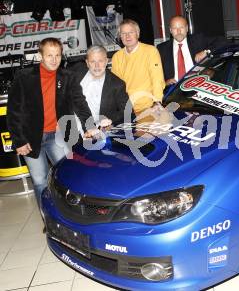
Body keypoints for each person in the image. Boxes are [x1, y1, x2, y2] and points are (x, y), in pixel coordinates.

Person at [6, 38, 94, 208]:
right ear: (40, 56)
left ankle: (71, 217)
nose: (54, 60)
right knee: (40, 182)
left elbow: (80, 103)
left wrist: (89, 126)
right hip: (31, 138)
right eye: (49, 55)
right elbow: (14, 112)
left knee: (69, 178)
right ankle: (49, 220)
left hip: (59, 135)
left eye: (58, 55)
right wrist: (19, 140)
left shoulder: (68, 77)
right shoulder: (24, 77)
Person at [111, 19, 165, 115]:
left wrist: (157, 102)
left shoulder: (151, 51)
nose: (127, 36)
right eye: (123, 33)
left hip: (149, 108)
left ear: (138, 34)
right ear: (120, 37)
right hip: (126, 110)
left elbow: (157, 79)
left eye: (131, 32)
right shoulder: (117, 57)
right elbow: (115, 87)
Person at [73, 45, 131, 131]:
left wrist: (110, 120)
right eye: (93, 61)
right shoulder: (76, 73)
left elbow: (127, 111)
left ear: (106, 61)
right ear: (87, 63)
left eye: (100, 61)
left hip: (96, 130)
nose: (97, 66)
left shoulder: (117, 84)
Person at [157, 15, 226, 86]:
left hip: (199, 86)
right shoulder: (162, 49)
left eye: (181, 27)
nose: (178, 31)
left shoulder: (198, 40)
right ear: (170, 30)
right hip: (174, 91)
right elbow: (155, 73)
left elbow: (222, 41)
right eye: (175, 28)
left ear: (187, 28)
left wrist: (206, 52)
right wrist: (164, 83)